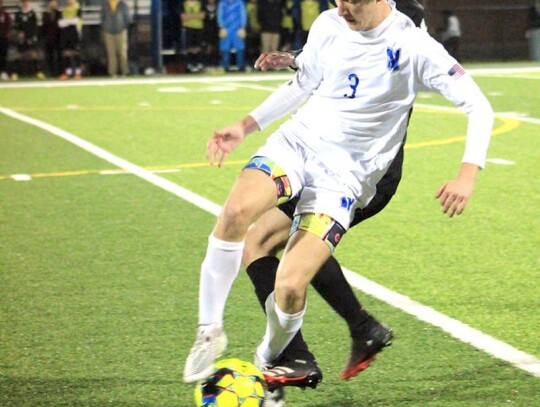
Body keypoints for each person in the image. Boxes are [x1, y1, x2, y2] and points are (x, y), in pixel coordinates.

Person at [183, 2, 493, 400]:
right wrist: (245, 126)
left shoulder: (414, 45)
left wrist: (467, 174)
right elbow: (304, 83)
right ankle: (209, 331)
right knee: (236, 213)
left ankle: (271, 358)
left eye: (354, 0)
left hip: (345, 180)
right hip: (298, 145)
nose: (343, 7)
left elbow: (478, 106)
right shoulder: (329, 22)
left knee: (291, 285)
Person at [13, 0, 44, 79]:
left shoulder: (32, 13)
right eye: (23, 2)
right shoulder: (18, 14)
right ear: (21, 3)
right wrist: (19, 33)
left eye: (26, 2)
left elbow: (35, 26)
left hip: (30, 38)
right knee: (18, 55)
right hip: (21, 39)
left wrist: (33, 36)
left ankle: (39, 72)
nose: (25, 3)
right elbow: (15, 26)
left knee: (33, 54)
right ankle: (15, 73)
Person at [100, 0, 131, 77]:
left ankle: (125, 72)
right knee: (111, 53)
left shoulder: (123, 4)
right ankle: (112, 72)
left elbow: (128, 18)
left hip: (121, 32)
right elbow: (102, 17)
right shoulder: (105, 4)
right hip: (108, 32)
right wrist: (106, 27)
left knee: (122, 52)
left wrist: (123, 27)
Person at [217, 0, 247, 72]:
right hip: (226, 29)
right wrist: (222, 27)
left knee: (240, 48)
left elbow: (243, 15)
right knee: (225, 48)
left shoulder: (239, 2)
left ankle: (241, 66)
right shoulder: (222, 3)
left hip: (237, 29)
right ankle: (225, 67)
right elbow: (220, 15)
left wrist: (242, 27)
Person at [181, 0, 205, 72]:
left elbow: (202, 16)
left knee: (198, 47)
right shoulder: (183, 4)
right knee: (189, 47)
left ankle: (199, 64)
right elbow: (183, 17)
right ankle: (190, 64)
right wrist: (196, 15)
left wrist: (189, 15)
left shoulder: (200, 3)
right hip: (187, 27)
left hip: (199, 27)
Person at [41, 0, 62, 78]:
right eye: (52, 2)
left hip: (57, 38)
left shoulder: (59, 13)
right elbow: (44, 27)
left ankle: (59, 72)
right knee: (49, 56)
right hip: (48, 38)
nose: (53, 4)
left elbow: (60, 26)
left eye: (55, 2)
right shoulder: (45, 14)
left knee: (58, 56)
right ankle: (50, 72)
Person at [0, 0, 11, 80]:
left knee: (3, 56)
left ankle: (3, 72)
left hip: (3, 38)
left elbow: (8, 25)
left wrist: (5, 34)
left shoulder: (5, 14)